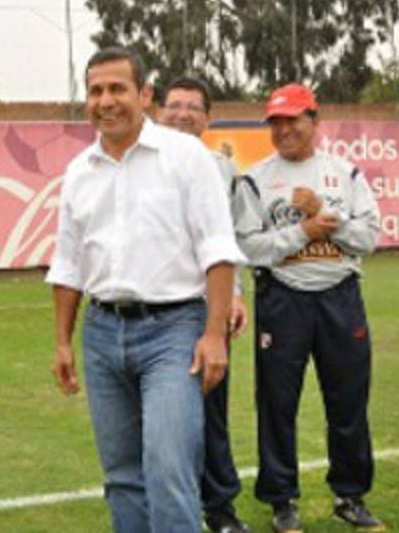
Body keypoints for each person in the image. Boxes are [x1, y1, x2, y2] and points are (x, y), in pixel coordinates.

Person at [48, 47, 244, 532]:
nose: (106, 100)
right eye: (96, 90)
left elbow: (217, 250)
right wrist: (61, 341)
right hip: (100, 333)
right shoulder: (79, 171)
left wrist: (214, 334)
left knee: (169, 470)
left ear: (145, 95)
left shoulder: (186, 157)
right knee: (121, 477)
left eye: (118, 88)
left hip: (175, 331)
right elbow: (69, 263)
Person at [232, 83, 384, 532]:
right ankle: (281, 500)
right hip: (283, 299)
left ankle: (350, 496)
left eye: (293, 120)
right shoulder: (257, 179)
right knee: (277, 402)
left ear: (314, 121)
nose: (283, 130)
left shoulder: (345, 174)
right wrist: (302, 233)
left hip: (340, 295)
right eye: (275, 122)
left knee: (348, 399)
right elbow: (249, 246)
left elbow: (369, 238)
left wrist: (324, 220)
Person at [157, 77, 249, 533]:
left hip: (206, 312)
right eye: (174, 105)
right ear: (158, 112)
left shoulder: (223, 170)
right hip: (155, 315)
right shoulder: (138, 166)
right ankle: (162, 507)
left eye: (194, 107)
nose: (183, 113)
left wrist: (236, 294)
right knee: (159, 423)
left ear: (208, 119)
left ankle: (220, 509)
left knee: (211, 413)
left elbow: (232, 240)